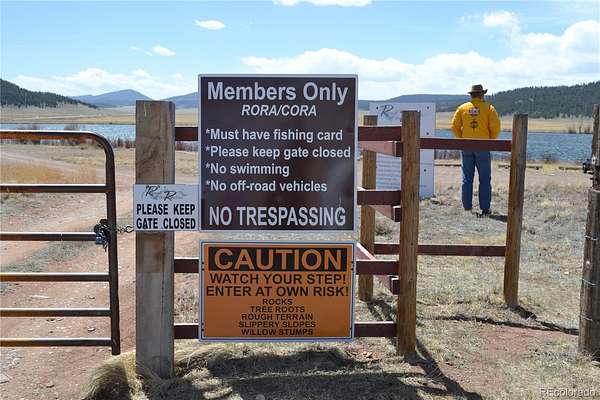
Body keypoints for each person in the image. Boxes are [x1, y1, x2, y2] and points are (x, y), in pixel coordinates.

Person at [451, 84, 501, 216]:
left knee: (467, 178)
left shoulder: (462, 108)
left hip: (466, 146)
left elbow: (454, 126)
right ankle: (485, 208)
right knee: (484, 179)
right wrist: (489, 141)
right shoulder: (489, 108)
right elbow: (496, 128)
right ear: (482, 94)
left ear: (471, 95)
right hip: (483, 146)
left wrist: (462, 139)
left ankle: (467, 208)